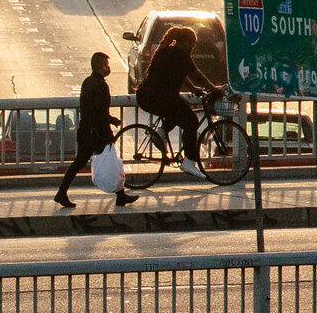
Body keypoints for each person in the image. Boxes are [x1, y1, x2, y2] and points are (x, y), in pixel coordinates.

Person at [135, 25, 224, 181]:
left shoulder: (168, 51)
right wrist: (214, 89)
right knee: (191, 121)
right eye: (192, 45)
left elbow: (182, 75)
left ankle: (161, 133)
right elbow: (197, 74)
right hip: (159, 97)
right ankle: (189, 161)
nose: (192, 48)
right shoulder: (180, 54)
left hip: (148, 96)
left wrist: (194, 89)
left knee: (179, 108)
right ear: (185, 43)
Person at [54, 51, 138, 210]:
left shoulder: (88, 82)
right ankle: (120, 195)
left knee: (80, 163)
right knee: (110, 160)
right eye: (107, 65)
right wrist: (112, 120)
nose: (109, 68)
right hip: (97, 133)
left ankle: (63, 192)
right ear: (101, 66)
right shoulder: (100, 85)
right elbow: (99, 111)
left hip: (87, 130)